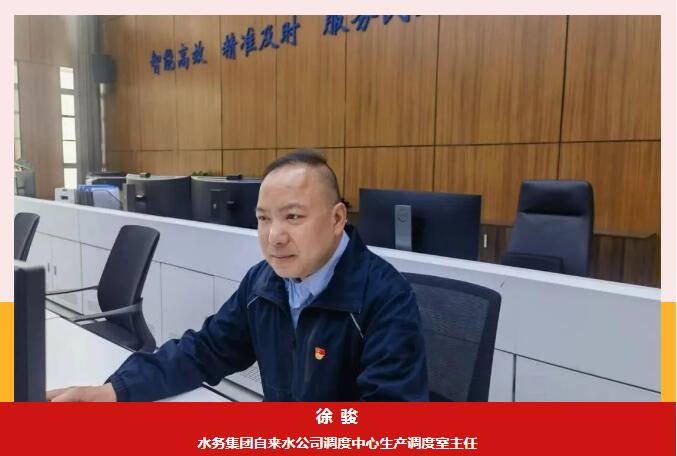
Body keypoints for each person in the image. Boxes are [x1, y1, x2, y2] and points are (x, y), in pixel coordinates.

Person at [47, 150, 428, 402]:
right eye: (263, 218)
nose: (275, 236)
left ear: (337, 218)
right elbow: (205, 350)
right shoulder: (264, 283)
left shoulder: (385, 296)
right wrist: (114, 391)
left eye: (293, 217)